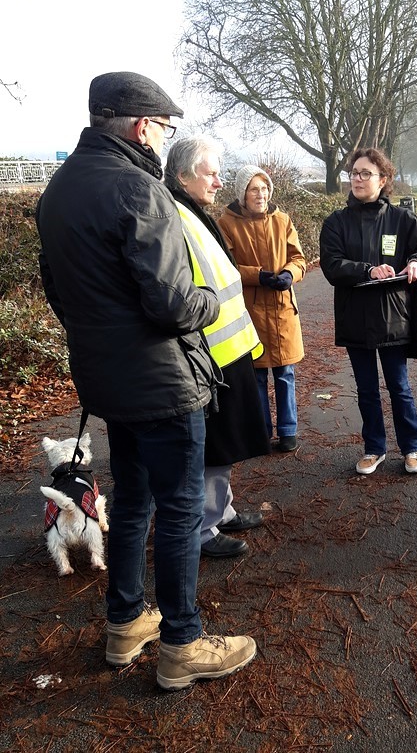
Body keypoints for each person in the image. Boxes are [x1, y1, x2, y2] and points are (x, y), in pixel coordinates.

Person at [35, 72, 257, 691]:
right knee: (181, 509)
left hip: (107, 381)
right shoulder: (138, 189)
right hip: (162, 381)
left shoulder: (58, 191)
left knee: (133, 502)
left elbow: (59, 292)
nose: (163, 138)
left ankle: (126, 621)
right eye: (164, 127)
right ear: (142, 126)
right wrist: (212, 298)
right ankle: (183, 643)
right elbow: (172, 304)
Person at [164, 138, 271, 559]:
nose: (219, 180)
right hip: (212, 357)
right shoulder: (175, 215)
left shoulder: (190, 211)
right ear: (183, 175)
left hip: (227, 349)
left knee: (227, 443)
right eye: (211, 173)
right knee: (214, 445)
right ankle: (205, 529)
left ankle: (220, 511)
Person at [319, 147, 417, 476]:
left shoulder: (403, 219)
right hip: (355, 318)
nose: (356, 179)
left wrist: (416, 262)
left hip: (394, 318)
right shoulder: (336, 223)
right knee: (367, 389)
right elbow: (331, 266)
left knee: (399, 387)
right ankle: (374, 448)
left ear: (383, 179)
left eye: (365, 173)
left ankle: (412, 448)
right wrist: (367, 270)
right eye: (353, 173)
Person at [218, 165, 306, 453]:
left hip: (282, 307)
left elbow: (298, 258)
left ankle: (288, 430)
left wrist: (289, 274)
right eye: (254, 189)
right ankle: (262, 430)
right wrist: (258, 275)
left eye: (264, 188)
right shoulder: (226, 224)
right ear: (243, 193)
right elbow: (225, 267)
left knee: (285, 372)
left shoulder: (282, 220)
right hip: (250, 310)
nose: (261, 194)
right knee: (256, 374)